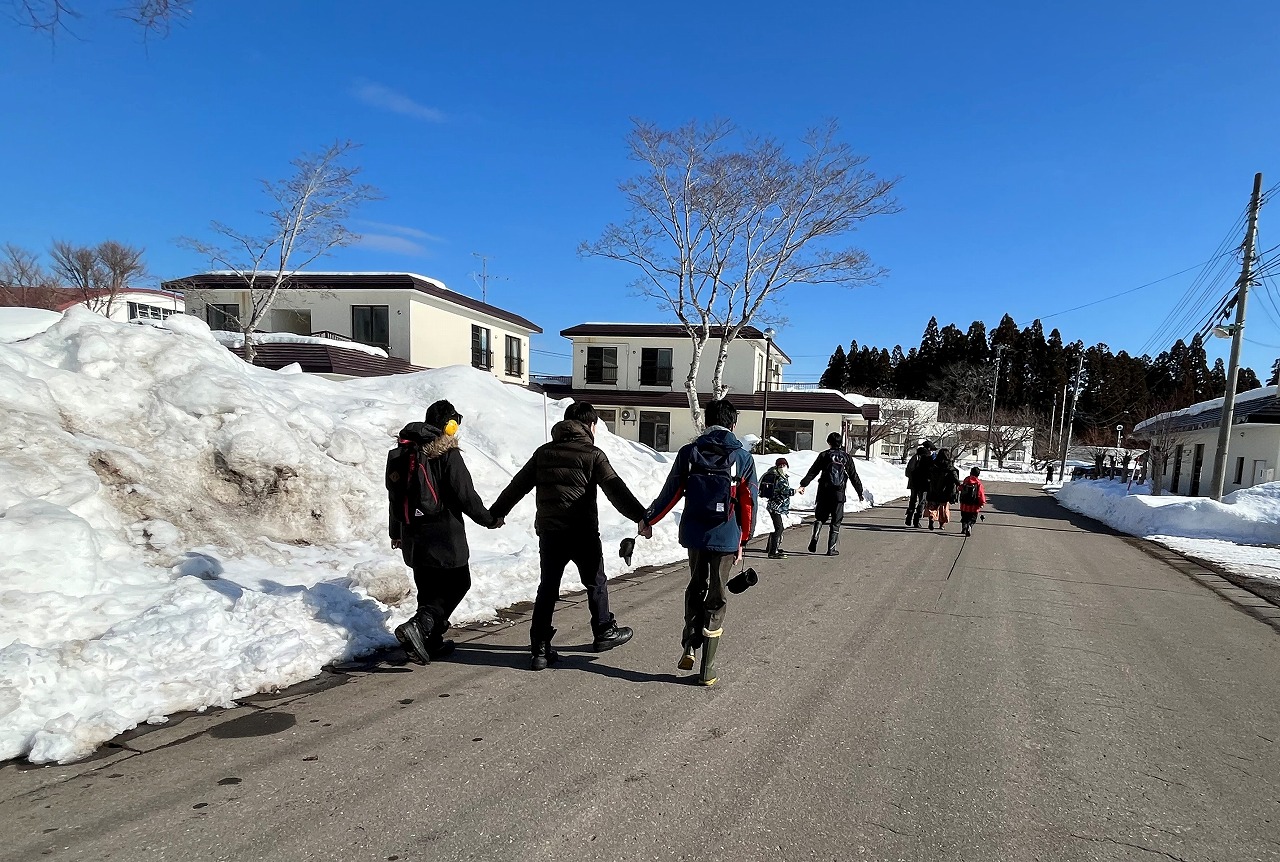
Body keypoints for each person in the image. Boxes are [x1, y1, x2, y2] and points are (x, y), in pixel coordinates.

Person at [489, 401, 648, 671]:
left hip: (550, 533)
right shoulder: (593, 454)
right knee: (595, 581)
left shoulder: (543, 453)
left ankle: (539, 648)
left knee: (548, 587)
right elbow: (615, 489)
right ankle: (603, 632)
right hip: (583, 532)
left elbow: (518, 485)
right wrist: (641, 517)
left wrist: (496, 513)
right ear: (591, 426)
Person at [640, 398, 757, 686]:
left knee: (696, 586)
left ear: (706, 421)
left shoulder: (689, 452)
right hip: (726, 537)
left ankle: (689, 645)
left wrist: (648, 520)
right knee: (716, 598)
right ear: (733, 424)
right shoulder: (741, 458)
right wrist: (744, 538)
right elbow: (749, 504)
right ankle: (708, 669)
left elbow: (671, 492)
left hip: (695, 535)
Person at [389, 400, 500, 665]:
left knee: (428, 590)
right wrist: (489, 519)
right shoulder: (447, 453)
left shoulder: (405, 452)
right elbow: (465, 494)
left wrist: (397, 532)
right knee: (459, 582)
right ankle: (420, 625)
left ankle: (430, 641)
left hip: (412, 534)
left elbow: (395, 497)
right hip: (443, 533)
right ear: (449, 426)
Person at [798, 432, 864, 555]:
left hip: (824, 491)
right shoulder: (846, 457)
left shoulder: (824, 455)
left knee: (820, 518)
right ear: (841, 443)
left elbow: (813, 471)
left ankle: (816, 535)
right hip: (838, 494)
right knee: (836, 521)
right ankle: (831, 549)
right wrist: (859, 492)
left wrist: (803, 484)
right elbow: (854, 476)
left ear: (829, 442)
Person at [759, 457, 795, 559]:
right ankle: (772, 551)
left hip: (774, 506)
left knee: (776, 527)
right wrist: (797, 491)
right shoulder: (779, 478)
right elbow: (786, 491)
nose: (782, 467)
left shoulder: (778, 476)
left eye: (784, 465)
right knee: (778, 528)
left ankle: (771, 547)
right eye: (780, 466)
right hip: (776, 506)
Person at [923, 448, 961, 531]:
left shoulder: (933, 464)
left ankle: (932, 517)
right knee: (943, 508)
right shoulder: (949, 466)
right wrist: (959, 485)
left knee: (932, 506)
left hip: (933, 489)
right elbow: (955, 477)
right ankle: (941, 524)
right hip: (945, 491)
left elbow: (928, 475)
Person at [904, 445, 931, 527]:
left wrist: (912, 477)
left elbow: (908, 472)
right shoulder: (927, 460)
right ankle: (917, 519)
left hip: (913, 483)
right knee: (922, 501)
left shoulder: (914, 458)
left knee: (912, 500)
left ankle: (909, 517)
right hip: (923, 484)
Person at [958, 467, 988, 537]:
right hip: (974, 506)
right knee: (972, 518)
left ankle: (964, 527)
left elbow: (961, 488)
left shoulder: (966, 480)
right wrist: (982, 503)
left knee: (964, 517)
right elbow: (980, 494)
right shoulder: (978, 483)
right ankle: (970, 525)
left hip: (964, 505)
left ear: (970, 472)